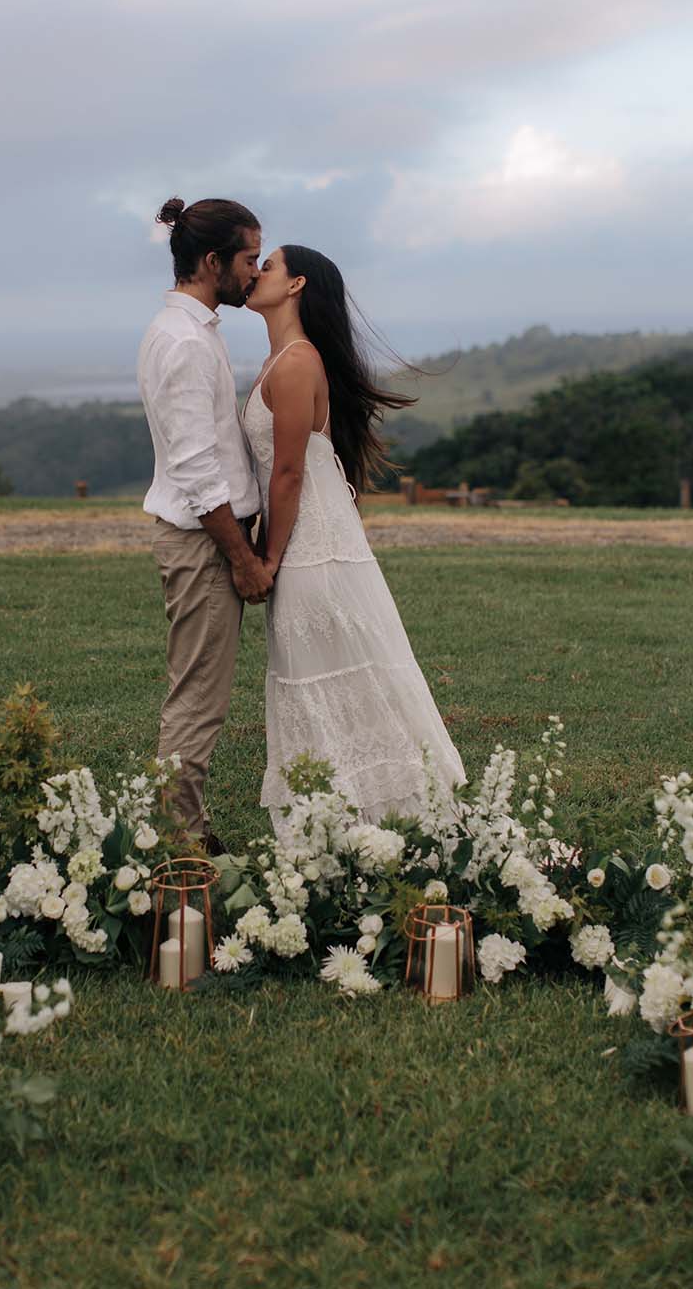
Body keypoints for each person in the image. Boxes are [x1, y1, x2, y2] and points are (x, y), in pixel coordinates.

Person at [242, 244, 465, 830]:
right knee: (327, 680)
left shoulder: (294, 363)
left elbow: (288, 474)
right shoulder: (281, 359)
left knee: (335, 679)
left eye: (268, 266)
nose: (255, 273)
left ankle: (372, 824)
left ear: (295, 286)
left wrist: (266, 557)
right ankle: (345, 824)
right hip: (313, 542)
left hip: (314, 551)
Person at [137, 197, 273, 851]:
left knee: (200, 691)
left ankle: (183, 828)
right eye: (248, 258)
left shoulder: (192, 330)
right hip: (202, 543)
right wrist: (241, 558)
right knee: (198, 696)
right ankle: (176, 841)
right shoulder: (185, 341)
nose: (256, 271)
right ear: (213, 261)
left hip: (206, 535)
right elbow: (194, 467)